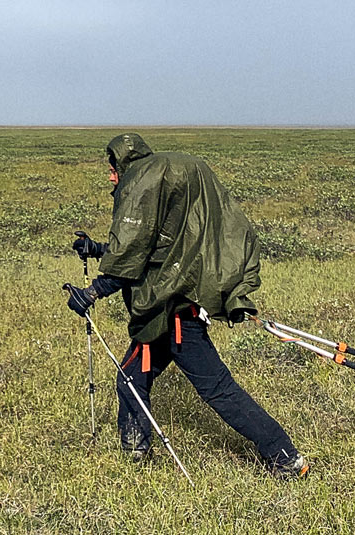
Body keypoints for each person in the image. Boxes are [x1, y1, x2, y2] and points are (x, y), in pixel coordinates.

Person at [67, 133, 307, 478]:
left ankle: (285, 458)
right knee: (131, 379)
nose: (110, 177)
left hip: (176, 314)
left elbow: (132, 257)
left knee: (219, 390)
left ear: (123, 166)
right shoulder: (158, 194)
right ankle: (136, 457)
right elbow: (149, 252)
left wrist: (92, 292)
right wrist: (98, 249)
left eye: (112, 170)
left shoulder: (144, 186)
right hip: (160, 313)